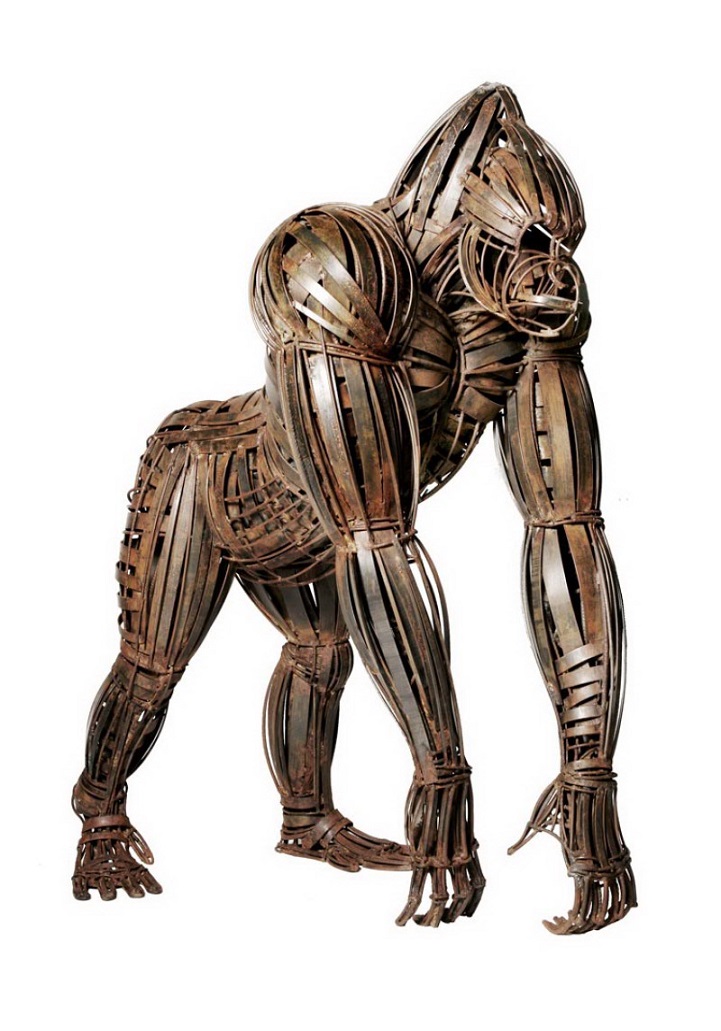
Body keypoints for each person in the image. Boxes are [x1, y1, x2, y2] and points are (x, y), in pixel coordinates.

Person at [72, 84, 635, 933]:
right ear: (470, 224)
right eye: (531, 243)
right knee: (152, 668)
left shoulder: (527, 313)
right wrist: (441, 774)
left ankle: (305, 821)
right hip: (214, 481)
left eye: (565, 247)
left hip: (342, 520)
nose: (553, 271)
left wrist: (588, 775)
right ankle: (100, 814)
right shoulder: (338, 261)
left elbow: (568, 532)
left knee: (318, 649)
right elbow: (376, 537)